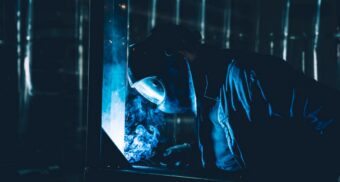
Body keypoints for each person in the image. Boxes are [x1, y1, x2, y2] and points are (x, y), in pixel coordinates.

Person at [128, 24, 340, 181]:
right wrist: (193, 153)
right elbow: (239, 142)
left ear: (179, 56)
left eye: (154, 84)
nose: (156, 93)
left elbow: (330, 113)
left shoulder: (252, 75)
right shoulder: (204, 91)